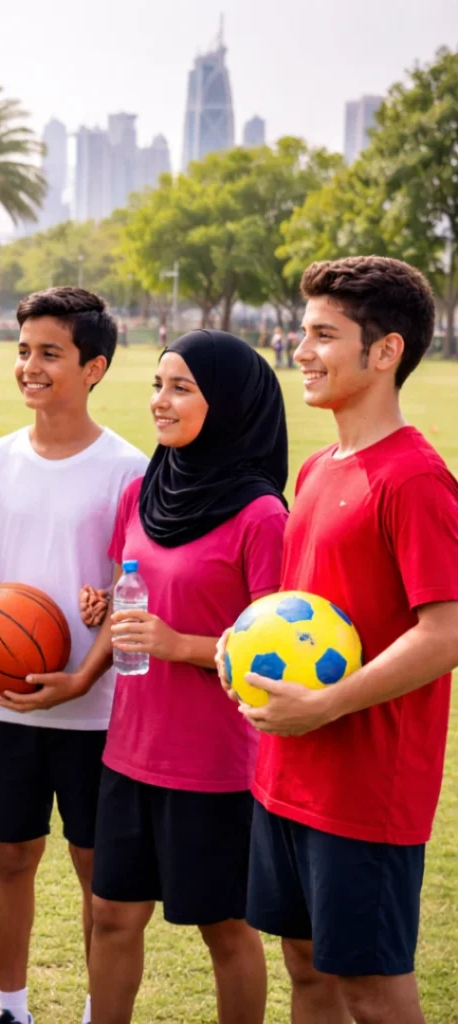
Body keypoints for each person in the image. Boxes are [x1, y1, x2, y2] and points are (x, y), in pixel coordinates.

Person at [216, 256, 458, 1024]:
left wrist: (326, 704)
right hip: (288, 772)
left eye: (324, 335)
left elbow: (447, 631)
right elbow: (304, 611)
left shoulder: (414, 479)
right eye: (303, 331)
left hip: (367, 787)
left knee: (371, 992)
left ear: (385, 351)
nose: (301, 350)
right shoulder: (319, 468)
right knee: (307, 968)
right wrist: (239, 644)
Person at [73, 330, 289, 1024]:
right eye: (157, 385)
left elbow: (275, 652)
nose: (160, 402)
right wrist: (105, 609)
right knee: (111, 916)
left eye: (181, 388)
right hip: (130, 751)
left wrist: (180, 644)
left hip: (214, 764)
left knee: (225, 929)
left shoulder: (263, 515)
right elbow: (129, 591)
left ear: (227, 403)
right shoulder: (142, 492)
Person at [0, 287, 148, 1024]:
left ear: (93, 368)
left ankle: (99, 1010)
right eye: (24, 351)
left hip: (96, 711)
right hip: (9, 703)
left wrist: (83, 676)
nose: (30, 366)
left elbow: (132, 591)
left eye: (50, 354)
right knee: (11, 857)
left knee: (97, 871)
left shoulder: (128, 468)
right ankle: (12, 1009)